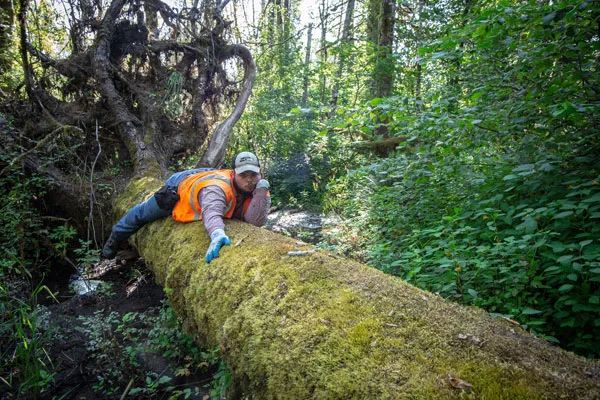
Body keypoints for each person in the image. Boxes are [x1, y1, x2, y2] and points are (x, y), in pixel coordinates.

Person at [102, 151, 271, 263]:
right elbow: (211, 211)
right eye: (243, 175)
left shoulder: (259, 189)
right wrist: (217, 233)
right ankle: (111, 243)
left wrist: (261, 194)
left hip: (207, 174)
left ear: (259, 173)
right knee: (141, 214)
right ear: (234, 174)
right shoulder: (216, 188)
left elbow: (255, 221)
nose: (249, 180)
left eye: (253, 175)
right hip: (179, 184)